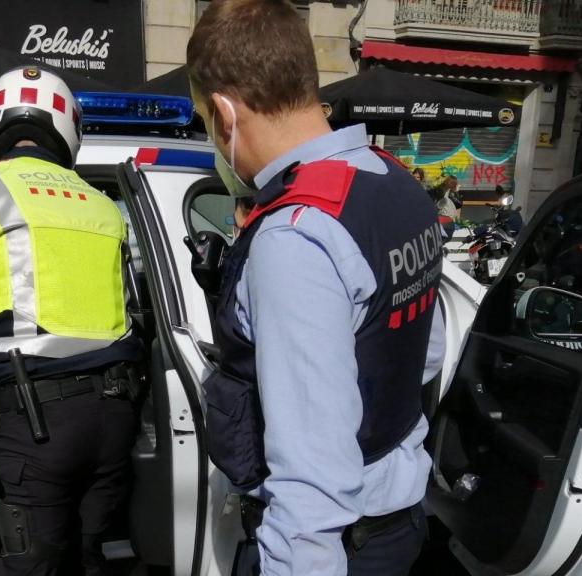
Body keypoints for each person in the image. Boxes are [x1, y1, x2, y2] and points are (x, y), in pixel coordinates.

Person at [186, 1, 445, 575]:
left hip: (336, 549)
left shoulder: (295, 235)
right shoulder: (394, 183)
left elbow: (312, 476)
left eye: (205, 120)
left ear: (224, 113)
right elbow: (424, 355)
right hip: (398, 522)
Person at [0, 66, 142, 575]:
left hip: (35, 425)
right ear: (68, 129)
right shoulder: (103, 207)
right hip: (113, 419)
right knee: (88, 561)